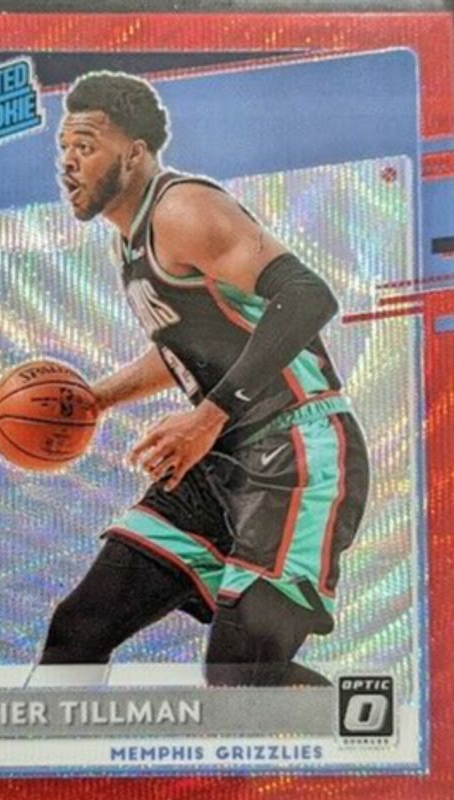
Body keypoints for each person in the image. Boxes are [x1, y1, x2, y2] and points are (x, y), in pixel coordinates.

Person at [38, 70, 369, 687]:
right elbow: (190, 348)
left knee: (239, 680)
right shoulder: (130, 242)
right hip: (216, 465)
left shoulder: (183, 209)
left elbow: (306, 297)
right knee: (77, 631)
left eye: (85, 145)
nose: (68, 162)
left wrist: (209, 416)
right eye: (63, 147)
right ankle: (43, 751)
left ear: (134, 154)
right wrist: (99, 398)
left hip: (296, 452)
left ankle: (383, 727)